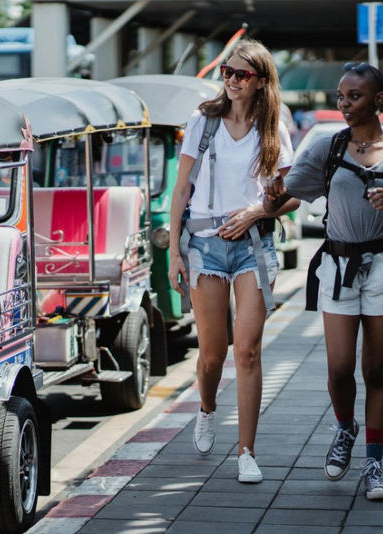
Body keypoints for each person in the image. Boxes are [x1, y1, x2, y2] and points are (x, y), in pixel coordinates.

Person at [265, 62, 383, 500]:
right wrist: (267, 196)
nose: (344, 104)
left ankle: (373, 464)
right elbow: (290, 192)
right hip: (338, 268)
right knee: (339, 370)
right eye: (340, 96)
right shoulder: (326, 147)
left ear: (377, 100)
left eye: (353, 96)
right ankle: (345, 428)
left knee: (375, 370)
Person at [168, 39, 298, 483]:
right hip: (204, 244)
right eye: (227, 71)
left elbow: (292, 195)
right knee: (211, 354)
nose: (231, 80)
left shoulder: (272, 127)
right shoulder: (203, 120)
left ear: (261, 81)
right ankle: (206, 408)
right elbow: (181, 190)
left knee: (247, 351)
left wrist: (259, 211)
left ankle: (246, 451)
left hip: (254, 246)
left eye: (241, 74)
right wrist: (173, 253)